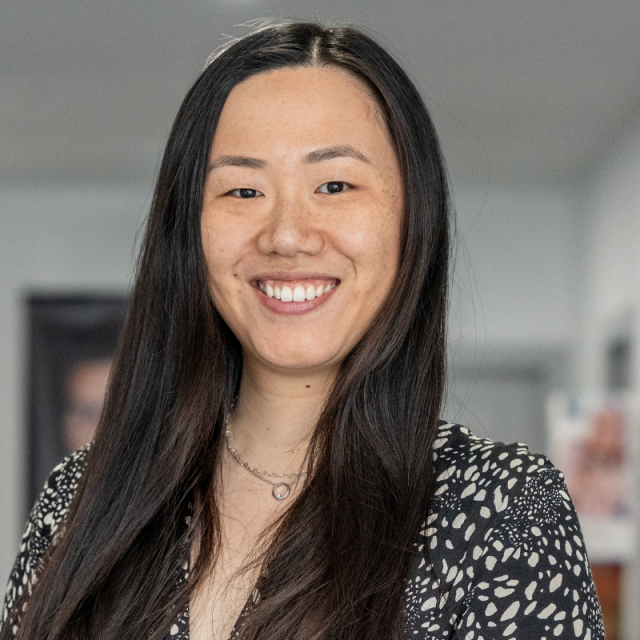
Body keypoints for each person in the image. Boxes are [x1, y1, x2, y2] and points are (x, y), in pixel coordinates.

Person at [1, 21, 604, 640]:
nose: (287, 236)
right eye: (243, 190)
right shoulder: (82, 500)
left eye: (334, 185)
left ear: (412, 217)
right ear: (189, 230)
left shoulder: (504, 509)